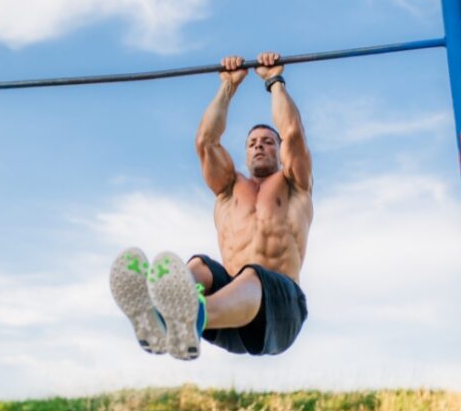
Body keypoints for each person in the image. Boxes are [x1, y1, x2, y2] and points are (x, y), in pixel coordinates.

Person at [110, 52, 313, 360]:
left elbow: (293, 133)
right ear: (244, 154)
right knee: (200, 266)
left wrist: (274, 81)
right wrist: (228, 86)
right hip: (231, 317)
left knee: (254, 274)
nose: (259, 144)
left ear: (280, 151)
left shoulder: (295, 185)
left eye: (268, 141)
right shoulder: (230, 189)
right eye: (252, 142)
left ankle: (191, 314)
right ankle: (161, 318)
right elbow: (206, 141)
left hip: (280, 315)